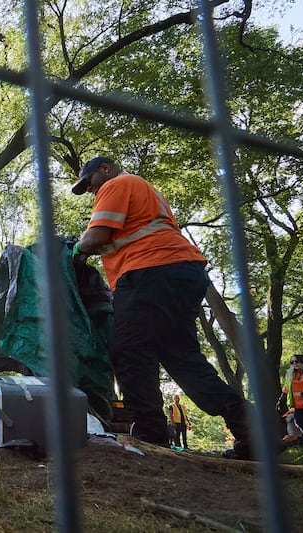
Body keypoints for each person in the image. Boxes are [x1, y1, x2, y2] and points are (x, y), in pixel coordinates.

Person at [71, 156, 251, 459]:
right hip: (181, 274)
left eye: (89, 181)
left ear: (105, 169)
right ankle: (252, 429)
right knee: (183, 360)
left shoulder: (118, 183)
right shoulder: (143, 192)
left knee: (129, 351)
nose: (90, 189)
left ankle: (151, 434)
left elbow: (96, 236)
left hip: (149, 273)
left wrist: (76, 250)